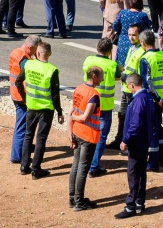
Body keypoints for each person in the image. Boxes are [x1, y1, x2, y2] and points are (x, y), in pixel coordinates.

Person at [17, 40, 63, 178]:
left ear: (37, 52)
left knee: (28, 135)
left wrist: (25, 99)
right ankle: (36, 170)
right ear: (50, 54)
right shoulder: (52, 70)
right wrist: (59, 111)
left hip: (31, 106)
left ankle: (24, 166)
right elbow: (55, 94)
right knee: (41, 138)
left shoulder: (29, 64)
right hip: (46, 109)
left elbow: (18, 81)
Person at [117, 73, 159, 219]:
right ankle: (140, 202)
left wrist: (125, 140)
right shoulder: (147, 97)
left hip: (137, 142)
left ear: (132, 85)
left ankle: (130, 206)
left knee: (133, 173)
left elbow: (134, 125)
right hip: (144, 141)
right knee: (141, 172)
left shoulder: (138, 100)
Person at [83, 39, 121, 177]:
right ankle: (93, 167)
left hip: (88, 103)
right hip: (105, 106)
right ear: (110, 51)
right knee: (101, 136)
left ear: (96, 47)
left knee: (87, 133)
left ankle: (85, 163)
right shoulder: (112, 65)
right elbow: (118, 76)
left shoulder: (88, 60)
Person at [68, 66, 104, 211]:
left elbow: (71, 110)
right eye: (101, 76)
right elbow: (84, 116)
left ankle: (73, 198)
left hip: (76, 132)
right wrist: (73, 118)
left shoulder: (78, 89)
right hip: (88, 135)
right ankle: (79, 201)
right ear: (94, 76)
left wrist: (69, 131)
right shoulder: (93, 94)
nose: (102, 78)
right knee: (83, 168)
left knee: (75, 166)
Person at [137, 30, 163, 171]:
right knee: (158, 128)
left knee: (151, 130)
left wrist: (157, 99)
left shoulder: (145, 59)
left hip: (152, 100)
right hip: (162, 99)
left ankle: (153, 163)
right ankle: (162, 158)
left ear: (143, 43)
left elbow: (146, 82)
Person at [7, 35, 42, 164]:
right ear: (30, 47)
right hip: (22, 96)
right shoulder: (24, 59)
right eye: (35, 50)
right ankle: (17, 156)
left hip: (15, 93)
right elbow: (32, 72)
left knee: (23, 124)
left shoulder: (16, 52)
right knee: (22, 126)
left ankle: (23, 147)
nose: (36, 53)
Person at [110, 23, 145, 150]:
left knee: (130, 118)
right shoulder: (132, 48)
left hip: (133, 90)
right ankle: (119, 139)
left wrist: (124, 77)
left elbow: (139, 73)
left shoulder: (141, 51)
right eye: (129, 35)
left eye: (134, 35)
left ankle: (128, 143)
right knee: (122, 115)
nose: (131, 38)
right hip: (126, 88)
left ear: (140, 36)